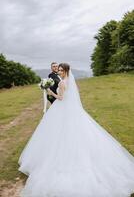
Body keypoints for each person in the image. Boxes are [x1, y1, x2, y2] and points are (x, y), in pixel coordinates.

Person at [18, 63, 134, 197]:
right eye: (59, 70)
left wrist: (50, 92)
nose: (59, 72)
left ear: (66, 71)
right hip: (71, 110)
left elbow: (61, 98)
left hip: (62, 109)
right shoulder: (69, 81)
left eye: (61, 70)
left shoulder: (62, 83)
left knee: (59, 134)